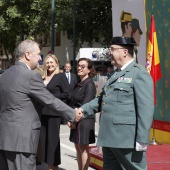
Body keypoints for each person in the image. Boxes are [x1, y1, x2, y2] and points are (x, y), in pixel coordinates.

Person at [0, 39, 82, 170]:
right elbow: (50, 100)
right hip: (22, 142)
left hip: (4, 140)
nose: (40, 58)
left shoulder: (4, 75)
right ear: (28, 54)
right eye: (38, 54)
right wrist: (72, 113)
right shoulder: (31, 76)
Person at [78, 37, 154, 170]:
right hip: (108, 137)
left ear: (125, 52)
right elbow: (101, 100)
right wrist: (82, 110)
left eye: (112, 49)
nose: (110, 52)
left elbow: (146, 108)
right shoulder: (115, 74)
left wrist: (142, 139)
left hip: (127, 140)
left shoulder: (138, 73)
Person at [40, 54, 70, 170]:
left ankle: (53, 166)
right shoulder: (42, 77)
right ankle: (48, 165)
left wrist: (50, 97)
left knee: (52, 142)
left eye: (52, 62)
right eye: (47, 62)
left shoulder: (60, 77)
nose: (49, 64)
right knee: (43, 141)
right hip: (42, 113)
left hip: (53, 114)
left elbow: (67, 94)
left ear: (56, 63)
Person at [68, 58, 96, 170]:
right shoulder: (79, 83)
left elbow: (85, 106)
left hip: (84, 120)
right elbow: (72, 102)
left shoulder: (90, 84)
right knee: (77, 147)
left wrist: (74, 120)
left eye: (83, 66)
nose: (79, 68)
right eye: (78, 65)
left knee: (83, 148)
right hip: (75, 118)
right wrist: (70, 118)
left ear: (89, 70)